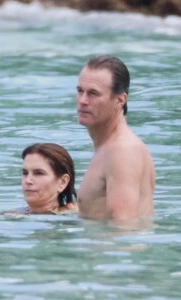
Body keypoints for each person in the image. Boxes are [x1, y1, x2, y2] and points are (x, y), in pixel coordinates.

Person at [76, 55, 155, 221]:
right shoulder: (111, 147)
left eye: (93, 94)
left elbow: (123, 227)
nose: (83, 100)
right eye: (80, 91)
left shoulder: (121, 151)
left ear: (120, 100)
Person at [21, 143, 78, 214]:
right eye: (25, 173)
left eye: (39, 173)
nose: (28, 180)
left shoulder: (76, 216)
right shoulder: (12, 215)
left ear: (62, 182)